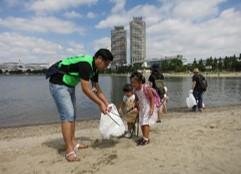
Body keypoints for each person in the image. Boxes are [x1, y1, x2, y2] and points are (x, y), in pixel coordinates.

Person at [46, 48, 113, 162]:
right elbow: (86, 90)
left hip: (69, 85)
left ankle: (73, 143)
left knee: (72, 115)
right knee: (68, 115)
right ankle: (69, 151)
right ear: (99, 59)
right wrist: (100, 104)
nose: (106, 67)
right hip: (58, 83)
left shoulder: (95, 69)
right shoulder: (86, 65)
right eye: (106, 64)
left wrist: (106, 103)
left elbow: (96, 88)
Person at [130, 72, 158, 146]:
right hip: (141, 108)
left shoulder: (145, 87)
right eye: (132, 82)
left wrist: (152, 108)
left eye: (134, 83)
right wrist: (135, 105)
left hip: (148, 107)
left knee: (145, 123)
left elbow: (151, 98)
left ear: (139, 82)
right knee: (142, 122)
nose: (133, 84)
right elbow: (136, 98)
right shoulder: (135, 90)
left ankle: (146, 138)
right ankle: (144, 137)